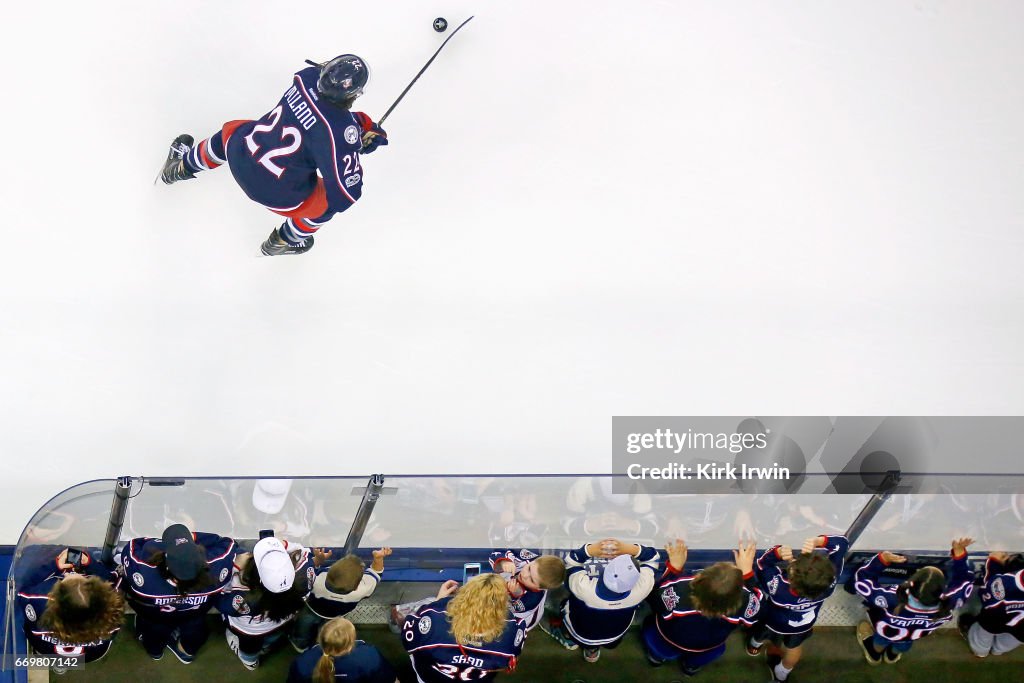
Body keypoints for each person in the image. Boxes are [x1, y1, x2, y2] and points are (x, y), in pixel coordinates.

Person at [159, 54, 388, 256]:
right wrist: (352, 148)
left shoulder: (305, 78)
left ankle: (179, 168)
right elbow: (346, 192)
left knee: (233, 132)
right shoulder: (337, 133)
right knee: (327, 203)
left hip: (240, 154)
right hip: (277, 195)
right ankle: (284, 241)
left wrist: (352, 135)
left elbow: (324, 120)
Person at [642, 539, 761, 677]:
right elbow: (760, 607)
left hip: (668, 640)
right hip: (709, 647)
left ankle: (656, 659)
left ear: (698, 578)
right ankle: (690, 668)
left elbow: (653, 598)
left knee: (653, 631)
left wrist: (673, 569)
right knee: (702, 657)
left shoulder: (679, 590)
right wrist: (748, 574)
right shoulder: (747, 602)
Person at [121, 523, 236, 662]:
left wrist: (167, 545)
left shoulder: (144, 570)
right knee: (194, 631)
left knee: (154, 633)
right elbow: (228, 543)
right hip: (195, 613)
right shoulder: (217, 567)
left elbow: (133, 545)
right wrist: (189, 542)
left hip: (156, 616)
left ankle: (155, 652)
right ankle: (187, 653)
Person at [853, 537, 974, 665]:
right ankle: (892, 656)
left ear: (911, 582)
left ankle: (874, 655)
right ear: (943, 588)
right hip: (910, 636)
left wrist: (881, 560)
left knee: (880, 640)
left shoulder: (892, 597)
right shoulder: (951, 601)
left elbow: (861, 582)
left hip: (885, 632)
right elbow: (965, 581)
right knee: (903, 644)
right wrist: (960, 555)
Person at [747, 534, 850, 681]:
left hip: (774, 622)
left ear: (792, 576)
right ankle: (781, 676)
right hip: (802, 627)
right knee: (794, 649)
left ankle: (754, 647)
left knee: (761, 633)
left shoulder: (780, 590)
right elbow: (843, 544)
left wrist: (777, 552)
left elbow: (762, 565)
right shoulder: (830, 584)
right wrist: (820, 541)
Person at [542, 538, 659, 663]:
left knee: (566, 612)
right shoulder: (642, 589)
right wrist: (630, 549)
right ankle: (593, 649)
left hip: (582, 633)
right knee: (611, 641)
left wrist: (589, 550)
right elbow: (653, 558)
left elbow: (571, 563)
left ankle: (574, 641)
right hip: (616, 633)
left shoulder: (585, 589)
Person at [402, 574, 527, 683]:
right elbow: (510, 658)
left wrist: (438, 602)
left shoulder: (434, 617)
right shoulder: (512, 630)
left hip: (432, 677)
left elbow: (409, 641)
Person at [218, 536, 316, 669]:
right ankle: (265, 646)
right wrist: (281, 547)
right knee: (273, 635)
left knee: (249, 649)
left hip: (251, 632)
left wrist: (235, 567)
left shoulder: (244, 596)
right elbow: (302, 550)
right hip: (282, 620)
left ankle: (250, 662)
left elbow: (222, 603)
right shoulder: (304, 576)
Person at [16, 548, 124, 667]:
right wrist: (91, 564)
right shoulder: (113, 611)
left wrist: (55, 565)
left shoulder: (39, 600)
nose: (72, 572)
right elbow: (112, 582)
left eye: (66, 578)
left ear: (54, 599)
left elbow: (23, 589)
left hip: (45, 651)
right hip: (91, 655)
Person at [290, 547, 393, 652]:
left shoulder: (318, 580)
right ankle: (324, 648)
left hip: (311, 610)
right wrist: (378, 558)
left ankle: (300, 646)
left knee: (303, 627)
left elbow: (309, 571)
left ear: (329, 573)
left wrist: (318, 560)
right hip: (336, 617)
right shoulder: (362, 590)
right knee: (329, 633)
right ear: (357, 586)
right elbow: (376, 573)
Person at [287, 617, 397, 683]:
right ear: (350, 643)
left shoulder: (302, 662)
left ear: (320, 638)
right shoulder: (370, 656)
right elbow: (390, 680)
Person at [958, 551, 1024, 657]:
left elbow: (989, 590)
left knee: (985, 633)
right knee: (1016, 638)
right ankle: (997, 650)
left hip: (996, 619)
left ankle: (981, 652)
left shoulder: (1007, 582)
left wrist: (994, 562)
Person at [488, 548, 566, 630]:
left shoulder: (533, 599)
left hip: (521, 617)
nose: (525, 575)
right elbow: (501, 549)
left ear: (540, 588)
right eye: (529, 569)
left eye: (531, 580)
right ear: (534, 560)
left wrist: (515, 594)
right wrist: (504, 561)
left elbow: (510, 609)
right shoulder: (532, 559)